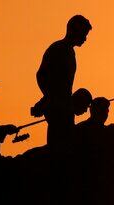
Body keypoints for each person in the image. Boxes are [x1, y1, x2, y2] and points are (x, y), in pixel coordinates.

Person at [34, 15, 91, 146]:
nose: (85, 38)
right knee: (60, 146)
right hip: (60, 110)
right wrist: (51, 99)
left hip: (64, 108)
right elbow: (42, 76)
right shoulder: (59, 49)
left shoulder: (67, 51)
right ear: (75, 31)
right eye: (84, 34)